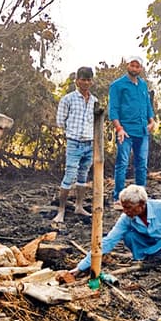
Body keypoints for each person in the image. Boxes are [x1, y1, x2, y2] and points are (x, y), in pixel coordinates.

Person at [71, 184, 161, 279]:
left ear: (141, 204)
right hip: (149, 244)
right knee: (129, 235)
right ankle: (146, 258)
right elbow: (109, 240)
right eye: (123, 207)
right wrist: (81, 267)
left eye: (128, 207)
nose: (125, 211)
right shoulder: (126, 218)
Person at [108, 56, 156, 210]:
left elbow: (147, 105)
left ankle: (141, 198)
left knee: (141, 165)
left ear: (140, 68)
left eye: (137, 66)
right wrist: (119, 128)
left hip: (142, 131)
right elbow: (113, 109)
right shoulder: (117, 85)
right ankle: (118, 198)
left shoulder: (142, 85)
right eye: (132, 65)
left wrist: (152, 121)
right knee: (122, 163)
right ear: (127, 66)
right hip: (126, 131)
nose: (135, 68)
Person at [52, 67, 97, 224]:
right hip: (74, 142)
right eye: (83, 79)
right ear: (77, 81)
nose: (85, 83)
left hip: (89, 142)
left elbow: (96, 122)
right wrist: (72, 132)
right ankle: (61, 210)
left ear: (92, 82)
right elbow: (60, 121)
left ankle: (79, 206)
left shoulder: (94, 101)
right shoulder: (68, 99)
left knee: (83, 175)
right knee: (70, 175)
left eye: (88, 80)